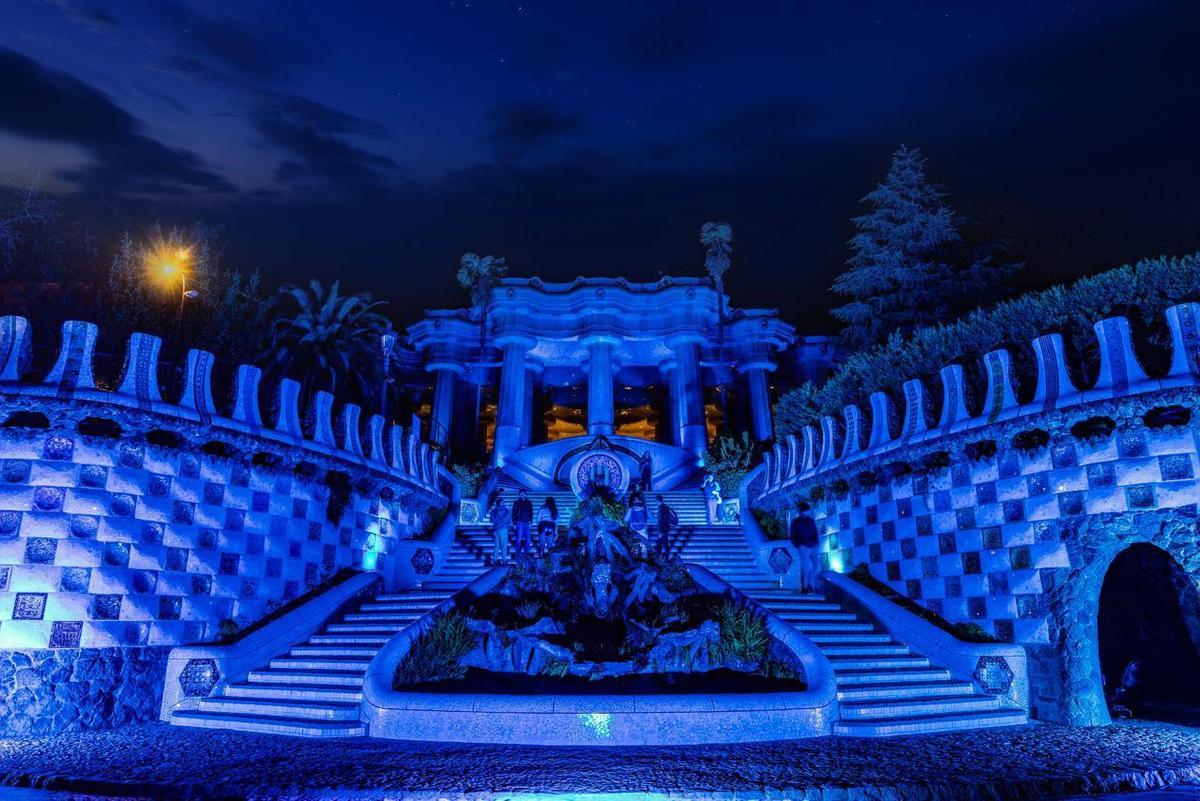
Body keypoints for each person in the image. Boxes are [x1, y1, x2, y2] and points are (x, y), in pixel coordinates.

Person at [789, 501, 820, 594]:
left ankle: (810, 583)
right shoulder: (796, 522)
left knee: (816, 564)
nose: (808, 512)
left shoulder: (810, 521)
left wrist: (816, 543)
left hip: (812, 545)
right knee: (805, 566)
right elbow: (793, 535)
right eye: (806, 511)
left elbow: (815, 532)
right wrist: (798, 545)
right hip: (803, 546)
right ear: (802, 511)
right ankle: (805, 586)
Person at [488, 491, 511, 565]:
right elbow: (508, 520)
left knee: (497, 545)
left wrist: (497, 522)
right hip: (503, 529)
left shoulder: (493, 511)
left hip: (495, 530)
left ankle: (494, 560)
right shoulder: (507, 511)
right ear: (502, 503)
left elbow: (491, 520)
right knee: (504, 545)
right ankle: (504, 561)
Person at [654, 494, 677, 561]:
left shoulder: (662, 508)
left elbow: (661, 520)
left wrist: (660, 531)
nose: (656, 502)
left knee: (660, 544)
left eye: (656, 501)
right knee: (664, 543)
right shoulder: (665, 507)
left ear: (658, 500)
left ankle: (659, 558)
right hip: (665, 528)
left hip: (662, 529)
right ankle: (665, 557)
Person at [512, 489, 534, 558]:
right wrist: (514, 523)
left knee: (528, 538)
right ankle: (518, 553)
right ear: (519, 494)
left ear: (525, 494)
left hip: (527, 522)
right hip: (519, 521)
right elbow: (513, 513)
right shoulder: (516, 502)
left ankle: (526, 553)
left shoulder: (529, 502)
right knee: (519, 537)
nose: (522, 495)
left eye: (523, 493)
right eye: (521, 493)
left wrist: (531, 521)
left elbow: (531, 512)